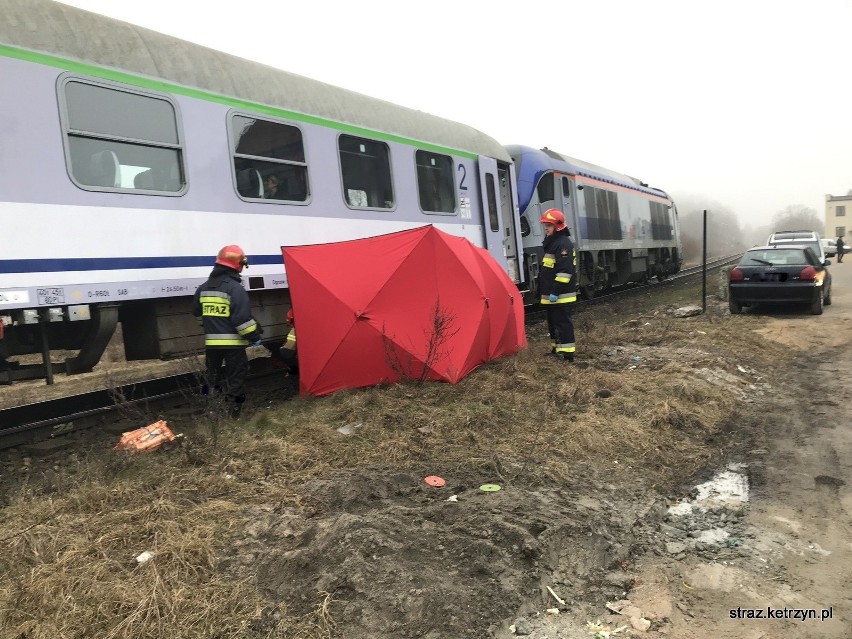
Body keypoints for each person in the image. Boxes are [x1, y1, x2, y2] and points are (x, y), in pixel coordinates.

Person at [192, 244, 262, 417]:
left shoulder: (203, 288)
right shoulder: (235, 289)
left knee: (211, 378)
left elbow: (197, 314)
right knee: (235, 380)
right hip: (234, 345)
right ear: (238, 264)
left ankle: (210, 410)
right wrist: (255, 336)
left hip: (212, 345)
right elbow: (242, 320)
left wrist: (210, 327)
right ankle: (233, 416)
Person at [538, 208, 577, 362]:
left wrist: (555, 292)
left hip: (560, 295)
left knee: (562, 323)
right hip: (553, 295)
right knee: (554, 323)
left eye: (549, 225)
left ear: (558, 226)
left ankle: (568, 355)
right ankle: (556, 349)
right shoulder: (554, 243)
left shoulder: (563, 245)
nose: (546, 228)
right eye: (545, 225)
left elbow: (564, 272)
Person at [278, 308, 299, 375]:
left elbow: (287, 352)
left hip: (302, 357)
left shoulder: (295, 331)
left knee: (285, 352)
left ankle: (294, 372)